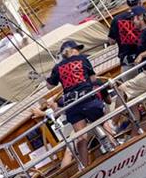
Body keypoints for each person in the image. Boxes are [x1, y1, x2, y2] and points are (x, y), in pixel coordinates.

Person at [37, 40, 106, 168]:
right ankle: (114, 145)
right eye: (76, 49)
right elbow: (93, 80)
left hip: (72, 106)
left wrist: (49, 77)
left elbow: (49, 86)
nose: (78, 51)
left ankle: (84, 167)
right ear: (68, 51)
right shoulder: (82, 59)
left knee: (81, 137)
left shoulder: (57, 67)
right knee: (104, 123)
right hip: (87, 99)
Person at [108, 0, 144, 71]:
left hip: (127, 62)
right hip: (145, 58)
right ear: (140, 2)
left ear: (127, 3)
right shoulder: (144, 15)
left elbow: (111, 41)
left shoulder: (116, 20)